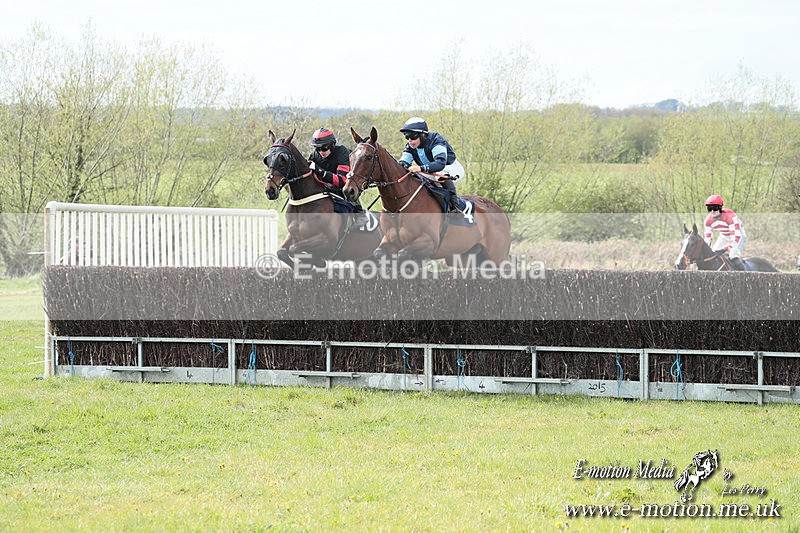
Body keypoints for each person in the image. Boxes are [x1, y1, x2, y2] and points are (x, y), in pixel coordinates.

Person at [398, 117, 465, 212]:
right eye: (407, 137)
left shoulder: (436, 140)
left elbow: (440, 164)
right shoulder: (410, 147)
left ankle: (455, 207)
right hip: (430, 171)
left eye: (412, 136)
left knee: (441, 176)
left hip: (450, 168)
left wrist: (420, 168)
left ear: (422, 135)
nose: (410, 140)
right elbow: (403, 164)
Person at [307, 128, 364, 214]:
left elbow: (341, 181)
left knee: (347, 189)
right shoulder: (314, 156)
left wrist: (321, 172)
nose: (321, 152)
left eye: (324, 148)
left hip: (346, 185)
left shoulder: (342, 152)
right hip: (325, 187)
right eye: (317, 148)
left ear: (332, 145)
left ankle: (359, 213)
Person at [703, 194, 747, 271]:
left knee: (733, 255)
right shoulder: (708, 221)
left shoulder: (730, 216)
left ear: (720, 208)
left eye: (715, 208)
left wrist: (724, 249)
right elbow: (707, 240)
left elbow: (735, 238)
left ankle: (746, 277)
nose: (712, 211)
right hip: (724, 236)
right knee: (713, 256)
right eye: (709, 208)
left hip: (738, 236)